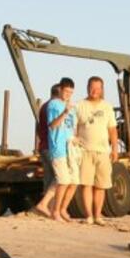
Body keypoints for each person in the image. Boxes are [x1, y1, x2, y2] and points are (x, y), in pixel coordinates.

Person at [75, 76, 118, 226]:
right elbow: (74, 127)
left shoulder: (107, 106)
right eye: (92, 87)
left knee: (101, 185)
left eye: (98, 88)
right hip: (85, 151)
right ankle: (88, 216)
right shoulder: (79, 105)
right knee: (86, 184)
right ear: (88, 87)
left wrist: (115, 149)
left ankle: (98, 215)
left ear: (102, 89)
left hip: (103, 152)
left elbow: (112, 129)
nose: (95, 91)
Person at [46, 77, 79, 222]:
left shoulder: (70, 106)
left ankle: (63, 209)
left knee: (74, 181)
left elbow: (71, 127)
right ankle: (55, 211)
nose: (68, 95)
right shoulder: (54, 104)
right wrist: (65, 112)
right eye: (66, 91)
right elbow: (52, 125)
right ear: (60, 89)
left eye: (70, 92)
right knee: (63, 181)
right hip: (58, 147)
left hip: (70, 148)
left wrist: (75, 137)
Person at [34, 83, 61, 217]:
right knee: (59, 177)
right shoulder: (55, 107)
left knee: (49, 178)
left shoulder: (44, 106)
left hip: (43, 146)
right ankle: (47, 206)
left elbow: (38, 128)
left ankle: (46, 210)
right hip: (52, 147)